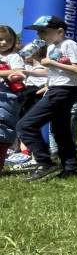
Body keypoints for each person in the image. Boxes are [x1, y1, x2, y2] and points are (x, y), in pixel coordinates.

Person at [15, 15, 77, 181]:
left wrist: (52, 63)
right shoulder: (52, 47)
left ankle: (44, 162)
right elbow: (51, 71)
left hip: (63, 91)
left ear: (60, 31)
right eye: (38, 32)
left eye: (44, 31)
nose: (40, 35)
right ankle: (71, 169)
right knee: (61, 131)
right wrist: (30, 72)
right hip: (56, 89)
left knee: (25, 125)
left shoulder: (69, 44)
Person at [0, 24, 25, 171]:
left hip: (6, 98)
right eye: (1, 39)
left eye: (9, 40)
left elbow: (18, 72)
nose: (4, 43)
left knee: (3, 131)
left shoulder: (14, 57)